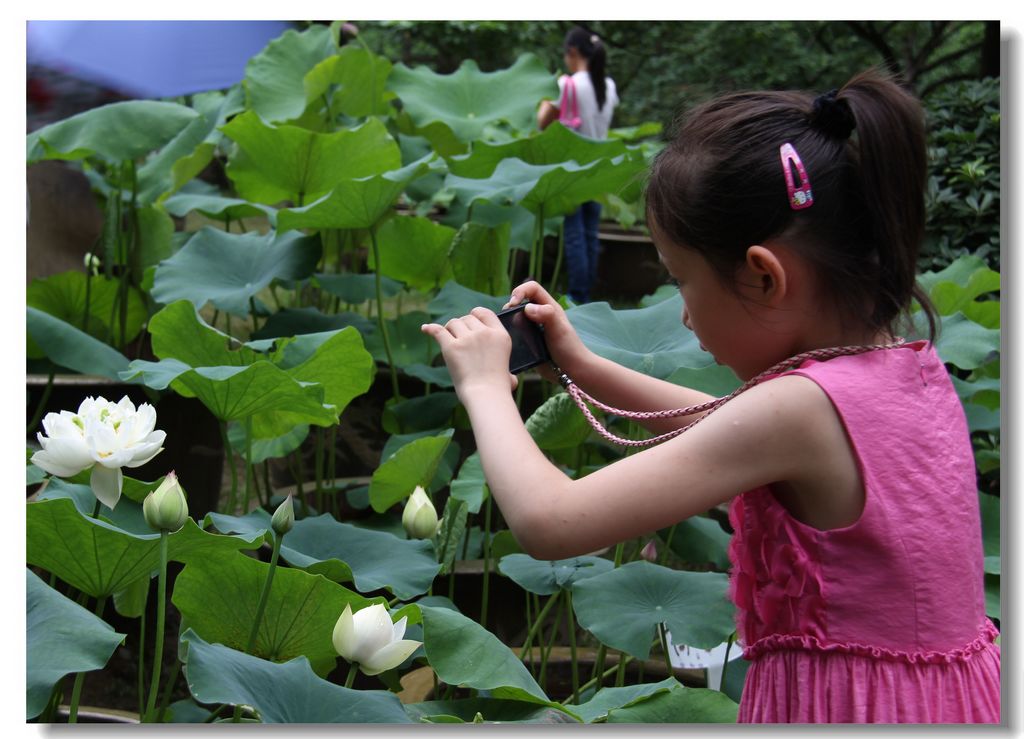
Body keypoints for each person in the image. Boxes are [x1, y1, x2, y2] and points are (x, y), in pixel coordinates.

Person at [422, 67, 1000, 723]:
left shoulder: (797, 410)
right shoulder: (904, 368)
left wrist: (482, 388)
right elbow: (722, 424)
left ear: (763, 276)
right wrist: (579, 363)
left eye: (682, 281)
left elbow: (551, 522)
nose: (685, 314)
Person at [537, 26, 619, 304]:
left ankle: (577, 295)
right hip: (598, 167)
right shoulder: (607, 85)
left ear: (572, 52)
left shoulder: (567, 84)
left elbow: (542, 121)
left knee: (573, 235)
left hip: (572, 168)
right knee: (589, 235)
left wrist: (552, 90)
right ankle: (586, 293)